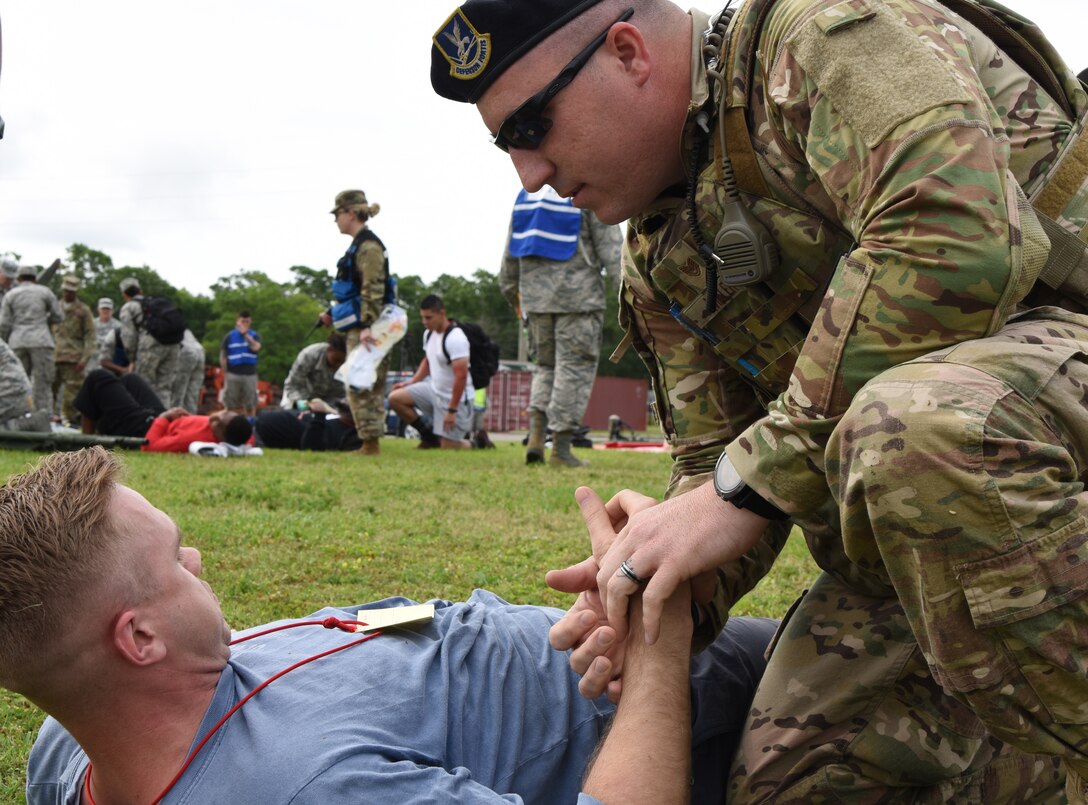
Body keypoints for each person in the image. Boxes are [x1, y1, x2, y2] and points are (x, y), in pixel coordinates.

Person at [431, 0, 1088, 800]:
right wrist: (659, 587)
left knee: (915, 428)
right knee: (799, 779)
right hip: (927, 533)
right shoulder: (664, 246)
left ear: (629, 52)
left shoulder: (819, 41)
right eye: (507, 146)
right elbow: (716, 463)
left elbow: (958, 226)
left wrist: (745, 483)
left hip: (1015, 417)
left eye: (532, 126)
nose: (529, 174)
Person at [0, 447, 777, 804]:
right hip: (667, 698)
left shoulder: (69, 747)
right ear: (139, 640)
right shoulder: (308, 786)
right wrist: (657, 638)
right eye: (175, 560)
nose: (197, 557)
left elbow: (354, 641)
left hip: (591, 633)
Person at [500, 187, 621, 466]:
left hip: (535, 301)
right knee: (573, 369)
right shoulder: (586, 188)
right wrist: (630, 296)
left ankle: (535, 438)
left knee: (545, 367)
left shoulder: (527, 195)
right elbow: (613, 252)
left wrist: (516, 296)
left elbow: (508, 260)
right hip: (579, 301)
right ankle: (561, 449)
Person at [319, 189, 390, 457]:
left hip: (367, 328)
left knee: (361, 383)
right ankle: (368, 441)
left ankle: (370, 445)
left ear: (350, 213)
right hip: (361, 324)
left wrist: (367, 325)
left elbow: (373, 289)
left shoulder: (368, 247)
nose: (335, 219)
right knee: (361, 382)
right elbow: (354, 289)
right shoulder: (359, 245)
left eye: (337, 214)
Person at [75, 369, 251, 452]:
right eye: (223, 414)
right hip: (162, 417)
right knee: (131, 379)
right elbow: (247, 437)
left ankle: (86, 445)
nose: (214, 418)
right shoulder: (234, 431)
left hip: (143, 428)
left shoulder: (188, 440)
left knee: (98, 377)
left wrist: (164, 418)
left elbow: (150, 446)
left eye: (218, 423)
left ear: (221, 437)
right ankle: (103, 423)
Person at [388, 294, 474, 449]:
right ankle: (429, 437)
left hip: (455, 399)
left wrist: (452, 410)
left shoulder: (456, 338)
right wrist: (412, 382)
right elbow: (428, 360)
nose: (425, 322)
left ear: (442, 314)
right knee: (395, 398)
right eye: (423, 318)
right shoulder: (429, 334)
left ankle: (478, 443)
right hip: (433, 391)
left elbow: (461, 377)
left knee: (448, 446)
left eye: (429, 318)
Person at [0, 262, 64, 416]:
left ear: (19, 277)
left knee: (18, 382)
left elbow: (4, 324)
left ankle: (19, 415)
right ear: (35, 278)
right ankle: (44, 417)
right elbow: (59, 316)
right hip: (41, 340)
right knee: (43, 382)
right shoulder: (45, 292)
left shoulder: (11, 294)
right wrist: (42, 319)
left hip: (17, 341)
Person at [118, 277, 181, 408]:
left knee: (144, 386)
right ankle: (165, 420)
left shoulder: (128, 307)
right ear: (140, 290)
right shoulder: (155, 303)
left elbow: (128, 336)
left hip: (150, 346)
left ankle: (148, 421)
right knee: (164, 387)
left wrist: (132, 359)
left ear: (124, 294)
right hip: (173, 345)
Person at [50, 274, 96, 425]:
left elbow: (90, 335)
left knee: (72, 394)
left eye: (71, 291)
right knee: (49, 390)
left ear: (76, 292)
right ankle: (50, 419)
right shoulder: (55, 307)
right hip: (54, 356)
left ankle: (71, 422)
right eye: (66, 291)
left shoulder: (83, 310)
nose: (68, 294)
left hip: (74, 358)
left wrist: (85, 358)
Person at [255, 399, 362, 451]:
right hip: (260, 419)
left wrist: (319, 415)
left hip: (261, 433)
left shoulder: (349, 435)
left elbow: (310, 447)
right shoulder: (337, 416)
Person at [280, 333, 348, 410]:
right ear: (329, 350)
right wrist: (306, 406)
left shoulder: (348, 364)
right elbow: (293, 385)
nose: (338, 365)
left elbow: (339, 394)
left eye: (342, 362)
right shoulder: (309, 354)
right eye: (336, 360)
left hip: (326, 403)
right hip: (298, 396)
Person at [220, 310, 262, 416]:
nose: (245, 324)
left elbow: (256, 347)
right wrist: (225, 374)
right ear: (237, 321)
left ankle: (250, 425)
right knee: (231, 404)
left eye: (247, 321)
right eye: (243, 321)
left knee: (250, 404)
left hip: (250, 375)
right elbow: (223, 356)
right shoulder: (229, 336)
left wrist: (246, 335)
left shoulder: (254, 335)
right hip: (233, 374)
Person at [172, 328, 206, 414]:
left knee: (178, 392)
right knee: (192, 395)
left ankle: (174, 421)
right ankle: (191, 420)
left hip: (186, 352)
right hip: (200, 350)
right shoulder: (182, 326)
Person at [87, 297, 121, 374]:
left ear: (112, 310)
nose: (105, 311)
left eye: (108, 309)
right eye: (103, 308)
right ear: (98, 309)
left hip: (109, 364)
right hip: (92, 364)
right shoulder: (90, 324)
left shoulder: (118, 326)